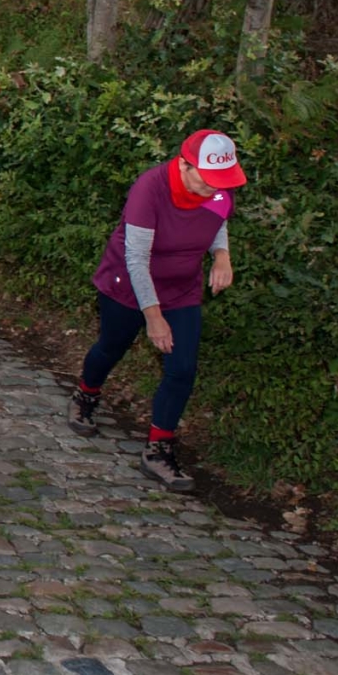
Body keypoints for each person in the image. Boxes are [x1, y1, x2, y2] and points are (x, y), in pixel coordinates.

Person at [71, 129, 244, 492]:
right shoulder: (149, 189)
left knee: (182, 368)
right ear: (184, 165)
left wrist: (222, 256)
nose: (215, 188)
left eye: (221, 181)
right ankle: (86, 393)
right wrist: (153, 317)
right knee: (111, 347)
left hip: (181, 288)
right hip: (129, 284)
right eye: (207, 179)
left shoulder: (214, 190)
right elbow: (136, 258)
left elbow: (218, 221)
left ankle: (158, 448)